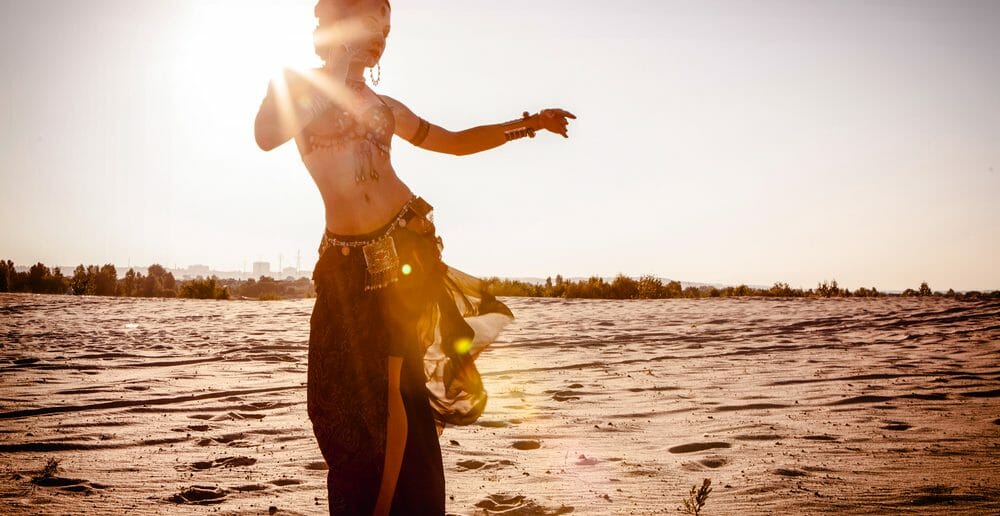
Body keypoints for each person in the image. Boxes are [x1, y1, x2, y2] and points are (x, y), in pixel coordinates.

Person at [253, 0, 575, 513]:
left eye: (387, 26)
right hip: (341, 265)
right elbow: (267, 136)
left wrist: (528, 123)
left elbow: (453, 142)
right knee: (333, 397)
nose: (381, 34)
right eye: (370, 20)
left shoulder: (386, 107)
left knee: (393, 385)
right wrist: (336, 63)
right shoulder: (295, 86)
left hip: (405, 247)